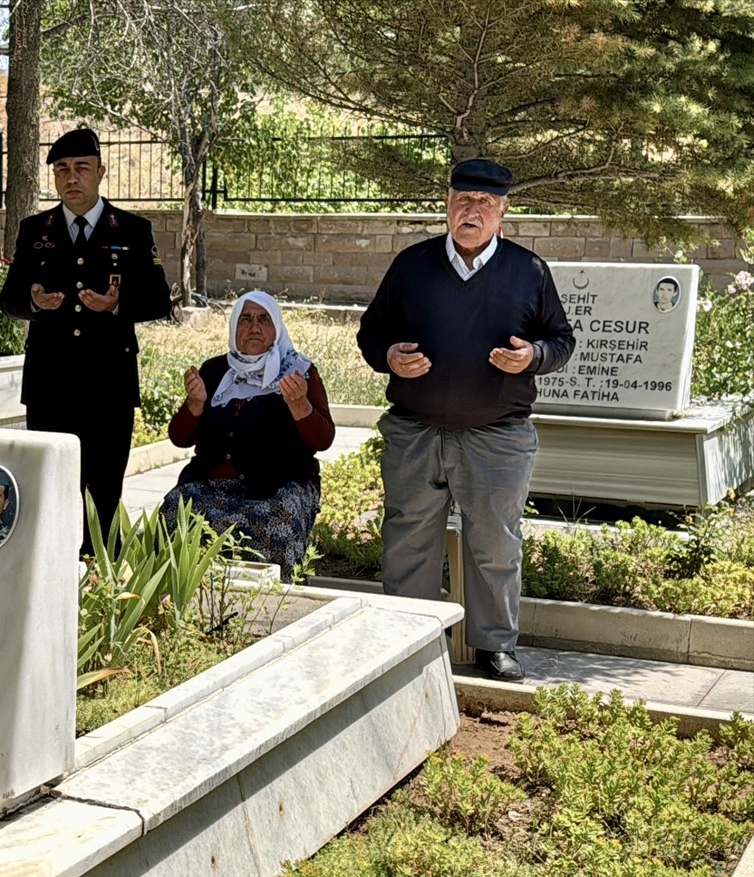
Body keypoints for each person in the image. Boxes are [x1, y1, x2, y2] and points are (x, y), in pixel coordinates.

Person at [356, 159, 575, 682]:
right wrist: (390, 356)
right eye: (461, 201)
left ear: (503, 213)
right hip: (416, 430)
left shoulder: (529, 271)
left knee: (495, 542)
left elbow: (561, 340)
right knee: (409, 537)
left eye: (483, 204)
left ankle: (495, 645)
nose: (470, 211)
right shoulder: (412, 265)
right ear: (447, 206)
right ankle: (407, 637)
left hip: (498, 435)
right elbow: (371, 333)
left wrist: (534, 356)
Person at [0, 127, 173, 555]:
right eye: (61, 170)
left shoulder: (131, 229)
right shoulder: (36, 230)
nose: (70, 178)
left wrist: (117, 304)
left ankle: (101, 582)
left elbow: (159, 300)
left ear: (100, 172)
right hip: (50, 384)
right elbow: (10, 299)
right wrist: (33, 300)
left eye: (80, 168)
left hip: (108, 385)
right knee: (53, 489)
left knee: (104, 494)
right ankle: (53, 575)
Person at [159, 291, 335, 574]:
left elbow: (323, 440)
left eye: (264, 319)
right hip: (212, 486)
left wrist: (300, 406)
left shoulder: (298, 372)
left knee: (272, 524)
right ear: (234, 327)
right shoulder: (214, 370)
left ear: (276, 327)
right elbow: (179, 438)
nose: (254, 327)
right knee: (176, 508)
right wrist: (195, 404)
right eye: (246, 319)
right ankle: (181, 601)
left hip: (278, 488)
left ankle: (271, 608)